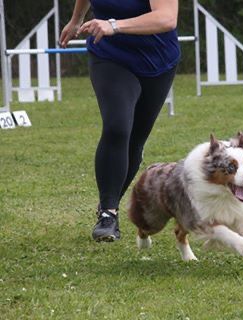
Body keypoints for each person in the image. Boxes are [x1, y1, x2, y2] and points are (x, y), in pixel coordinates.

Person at [60, 0, 180, 242]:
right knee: (117, 126)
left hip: (157, 61)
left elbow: (167, 18)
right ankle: (108, 213)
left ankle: (110, 199)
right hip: (110, 56)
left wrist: (113, 25)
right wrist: (76, 20)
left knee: (135, 139)